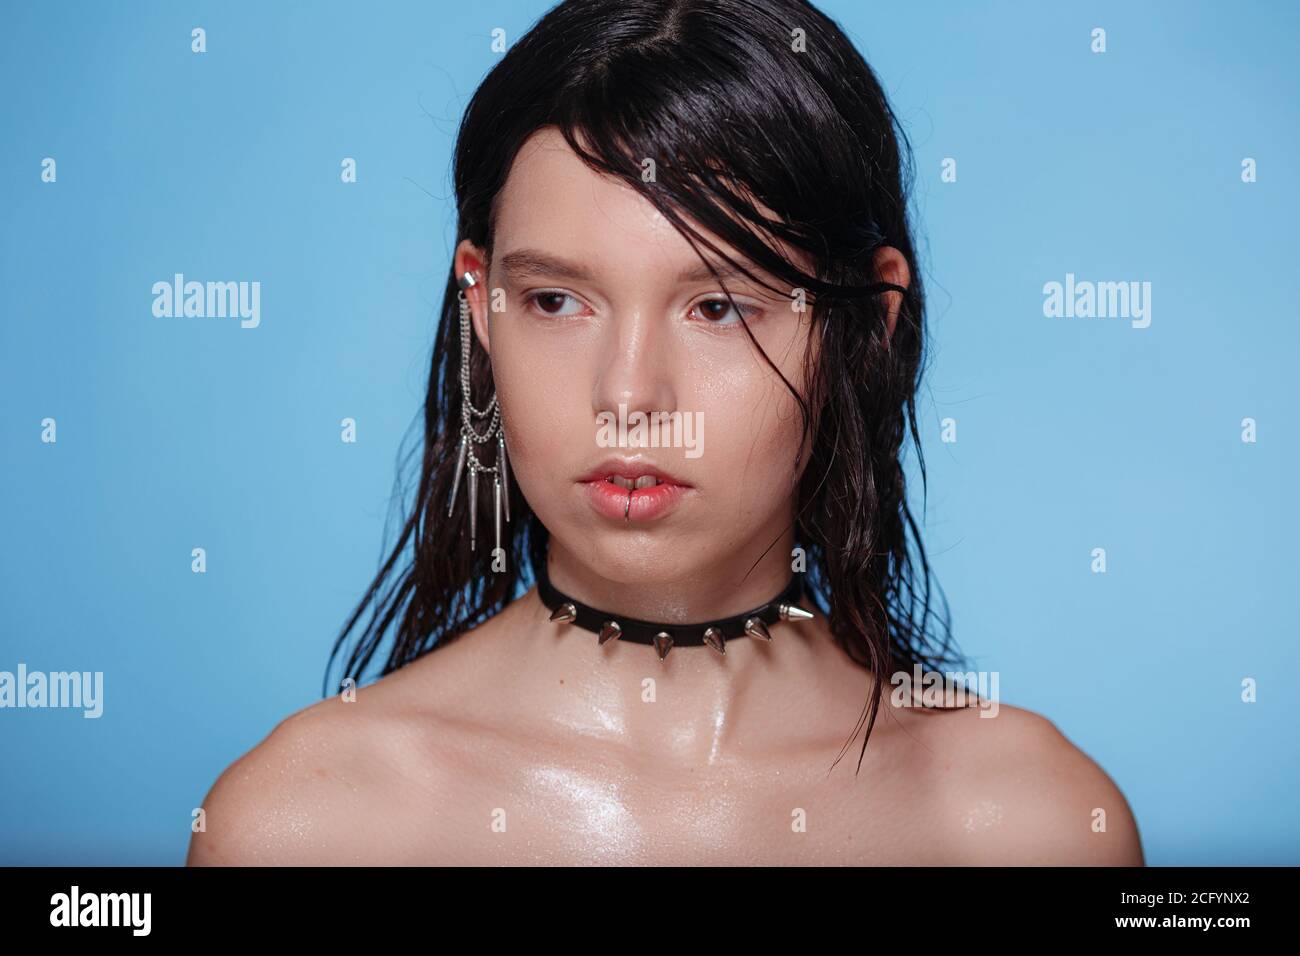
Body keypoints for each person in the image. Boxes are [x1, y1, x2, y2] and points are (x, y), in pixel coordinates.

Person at [188, 0, 1142, 865]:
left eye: (718, 306)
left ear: (869, 320)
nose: (628, 394)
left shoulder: (1031, 824)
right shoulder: (302, 826)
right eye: (556, 300)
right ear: (481, 303)